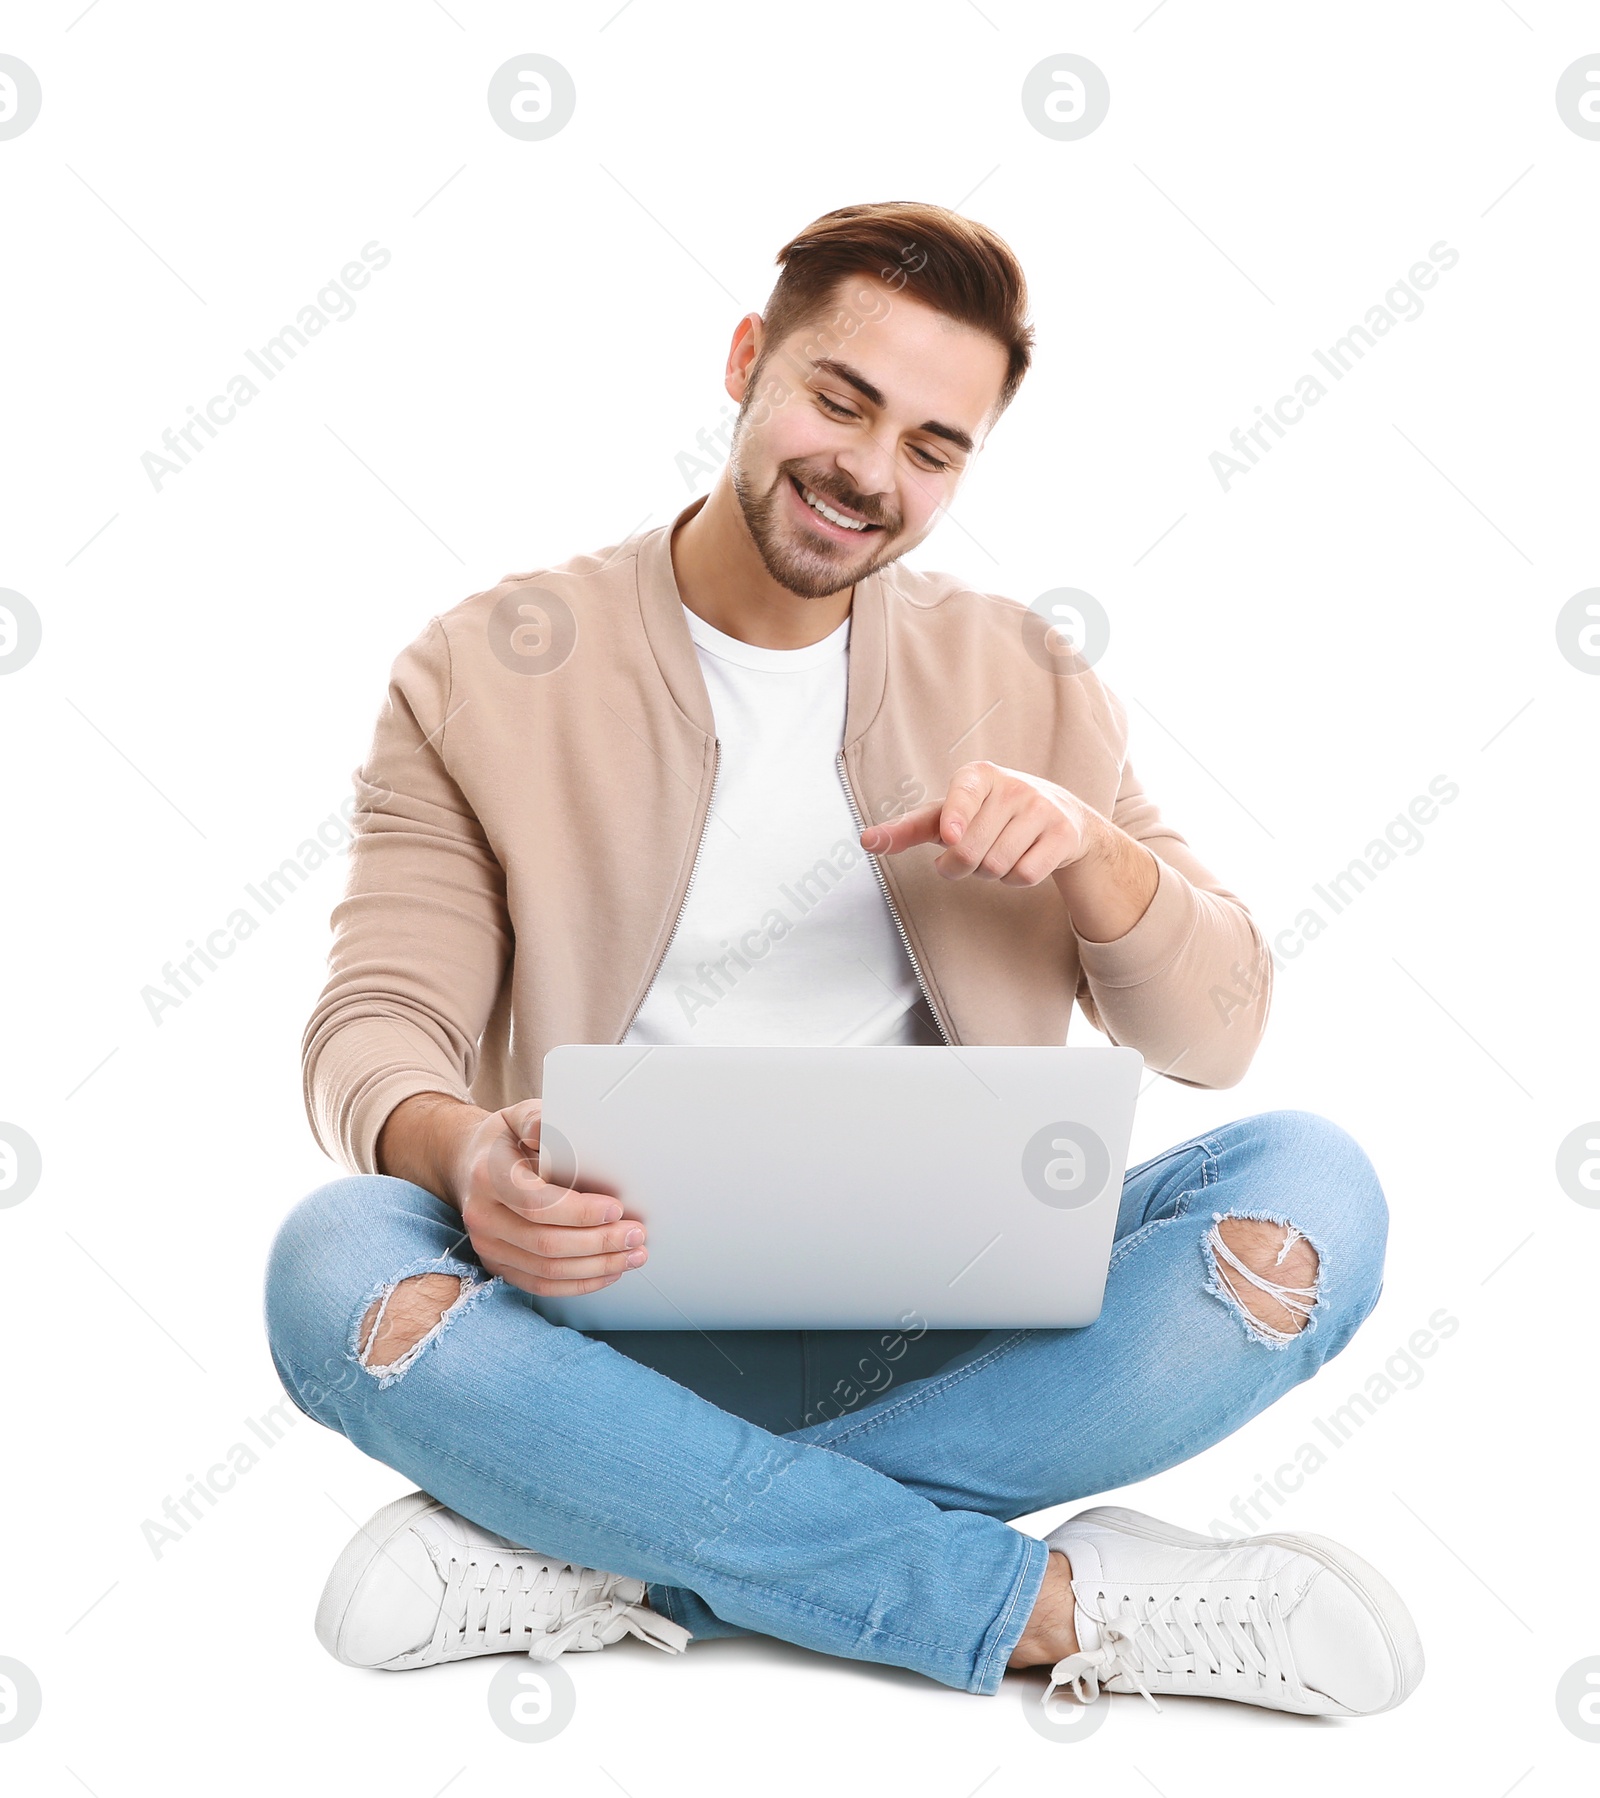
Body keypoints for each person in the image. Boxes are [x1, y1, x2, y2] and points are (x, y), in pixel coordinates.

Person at [264, 200, 1422, 1717]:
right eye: (841, 398)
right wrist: (465, 1150)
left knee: (1314, 1192)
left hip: (957, 1334)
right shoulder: (483, 667)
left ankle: (606, 1543)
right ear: (749, 360)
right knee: (332, 1260)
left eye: (935, 447)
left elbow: (1224, 1034)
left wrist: (1100, 859)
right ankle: (1048, 1607)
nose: (871, 472)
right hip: (600, 1327)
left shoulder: (1027, 675)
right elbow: (375, 1022)